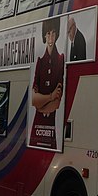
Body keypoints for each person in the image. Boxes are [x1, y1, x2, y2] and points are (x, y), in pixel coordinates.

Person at [30, 17, 64, 149]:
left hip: (52, 123)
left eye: (54, 32)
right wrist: (50, 97)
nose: (51, 36)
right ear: (44, 35)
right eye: (48, 33)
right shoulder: (40, 61)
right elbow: (33, 100)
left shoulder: (61, 59)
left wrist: (41, 102)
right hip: (37, 124)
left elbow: (57, 103)